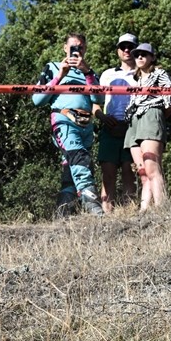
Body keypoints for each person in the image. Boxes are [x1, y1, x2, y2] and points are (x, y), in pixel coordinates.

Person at [32, 33, 105, 216]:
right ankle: (93, 206)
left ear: (85, 49)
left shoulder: (89, 71)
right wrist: (60, 76)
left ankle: (64, 212)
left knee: (73, 165)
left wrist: (87, 73)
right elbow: (37, 99)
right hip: (64, 120)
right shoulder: (53, 67)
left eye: (80, 47)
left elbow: (99, 98)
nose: (76, 51)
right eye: (73, 47)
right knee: (78, 157)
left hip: (86, 124)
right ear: (65, 48)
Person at [123, 42, 171, 211]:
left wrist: (157, 115)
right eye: (137, 55)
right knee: (142, 171)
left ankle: (161, 208)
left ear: (152, 57)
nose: (140, 57)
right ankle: (144, 211)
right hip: (134, 121)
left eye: (144, 54)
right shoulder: (135, 79)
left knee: (152, 166)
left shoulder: (160, 73)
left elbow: (170, 100)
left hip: (151, 115)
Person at [97, 33, 139, 211]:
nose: (127, 50)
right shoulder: (107, 74)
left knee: (129, 171)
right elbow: (94, 103)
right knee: (108, 172)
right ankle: (106, 213)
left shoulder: (143, 73)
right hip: (109, 128)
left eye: (130, 46)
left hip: (133, 128)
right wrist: (102, 117)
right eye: (123, 46)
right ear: (118, 50)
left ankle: (130, 212)